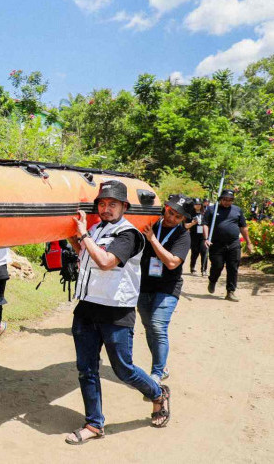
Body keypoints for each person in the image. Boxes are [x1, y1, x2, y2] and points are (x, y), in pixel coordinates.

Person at [64, 180, 171, 445]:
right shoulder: (96, 229)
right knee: (86, 369)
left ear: (124, 206)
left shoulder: (129, 235)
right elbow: (85, 255)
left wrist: (83, 236)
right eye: (102, 203)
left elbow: (104, 262)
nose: (106, 208)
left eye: (113, 204)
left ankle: (157, 393)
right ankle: (94, 424)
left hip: (116, 313)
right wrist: (72, 234)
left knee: (123, 369)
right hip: (87, 308)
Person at [137, 194, 193, 385]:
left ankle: (157, 373)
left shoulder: (183, 236)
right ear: (166, 208)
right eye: (171, 212)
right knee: (149, 327)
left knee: (158, 326)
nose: (172, 218)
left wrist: (152, 239)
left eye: (178, 217)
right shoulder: (151, 222)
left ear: (183, 219)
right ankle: (162, 365)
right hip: (144, 285)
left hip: (168, 287)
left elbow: (171, 263)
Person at [202, 189, 255, 302]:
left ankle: (230, 292)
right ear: (221, 199)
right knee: (217, 266)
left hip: (233, 243)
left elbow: (243, 227)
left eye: (230, 200)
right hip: (216, 244)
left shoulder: (237, 210)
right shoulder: (212, 209)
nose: (227, 202)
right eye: (225, 199)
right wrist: (206, 238)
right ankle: (212, 280)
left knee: (233, 268)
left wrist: (248, 242)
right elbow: (205, 224)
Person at [184, 198, 207, 276]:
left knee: (204, 252)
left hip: (203, 236)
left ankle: (204, 269)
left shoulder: (205, 213)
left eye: (199, 204)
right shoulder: (190, 214)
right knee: (195, 253)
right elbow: (186, 226)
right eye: (196, 204)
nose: (198, 206)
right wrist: (192, 223)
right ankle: (192, 268)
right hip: (194, 235)